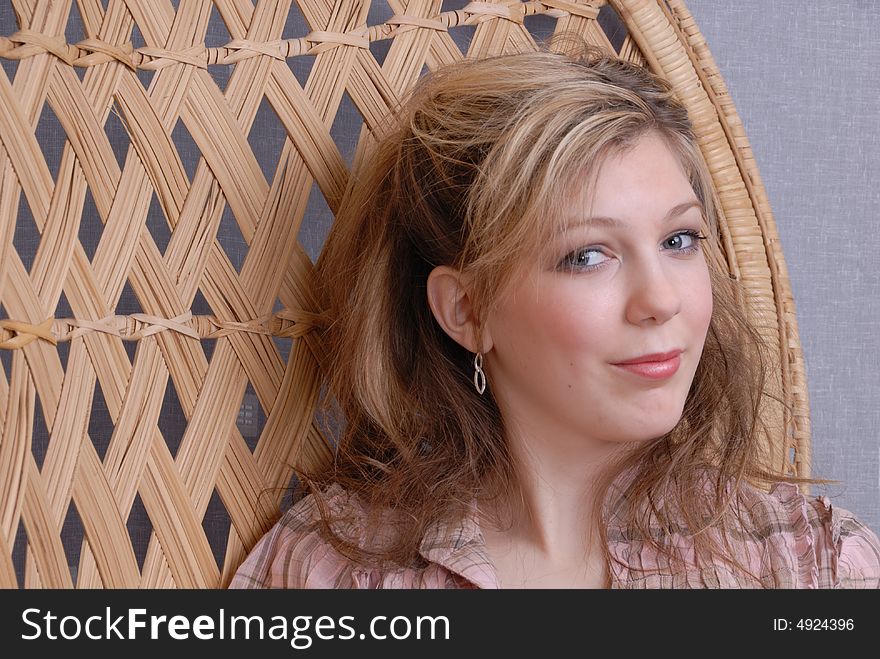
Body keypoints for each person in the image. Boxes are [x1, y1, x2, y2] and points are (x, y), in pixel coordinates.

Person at [229, 36, 880, 589]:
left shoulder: (809, 565)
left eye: (679, 240)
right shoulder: (330, 570)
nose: (662, 299)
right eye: (589, 255)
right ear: (467, 309)